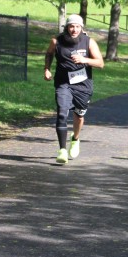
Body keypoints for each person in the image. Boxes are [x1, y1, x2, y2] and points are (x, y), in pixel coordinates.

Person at [44, 14, 104, 164]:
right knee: (62, 113)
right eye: (71, 26)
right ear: (67, 27)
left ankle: (75, 138)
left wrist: (85, 60)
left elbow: (100, 63)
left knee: (79, 115)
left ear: (81, 28)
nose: (74, 29)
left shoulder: (89, 42)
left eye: (77, 27)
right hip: (63, 83)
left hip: (83, 85)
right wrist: (47, 69)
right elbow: (49, 53)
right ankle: (62, 150)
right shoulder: (56, 41)